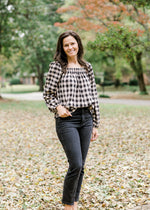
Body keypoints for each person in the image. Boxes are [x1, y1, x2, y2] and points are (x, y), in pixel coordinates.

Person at [43, 31, 100, 210]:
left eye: (72, 43)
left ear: (78, 44)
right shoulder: (57, 66)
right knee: (75, 163)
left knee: (81, 166)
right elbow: (48, 94)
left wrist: (96, 123)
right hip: (67, 120)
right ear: (62, 48)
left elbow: (94, 96)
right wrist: (57, 107)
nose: (70, 47)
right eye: (66, 45)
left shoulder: (87, 66)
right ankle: (69, 206)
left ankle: (74, 203)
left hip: (86, 119)